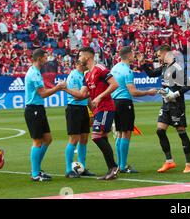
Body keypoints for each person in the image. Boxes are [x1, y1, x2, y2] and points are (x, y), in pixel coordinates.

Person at [64, 47, 120, 180]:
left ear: (87, 57)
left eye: (80, 56)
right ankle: (111, 170)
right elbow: (82, 94)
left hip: (106, 107)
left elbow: (114, 84)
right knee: (103, 137)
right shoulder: (87, 75)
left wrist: (100, 96)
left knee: (96, 136)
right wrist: (65, 88)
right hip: (98, 110)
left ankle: (114, 166)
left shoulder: (100, 69)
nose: (78, 59)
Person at [141, 45, 190, 173]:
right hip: (166, 104)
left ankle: (189, 164)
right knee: (160, 130)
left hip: (177, 105)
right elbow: (152, 74)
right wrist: (143, 64)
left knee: (181, 132)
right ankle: (169, 161)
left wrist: (175, 94)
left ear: (166, 54)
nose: (158, 58)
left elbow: (189, 85)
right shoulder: (165, 67)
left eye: (159, 55)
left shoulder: (177, 68)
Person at [111, 46, 157, 173]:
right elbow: (133, 92)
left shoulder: (115, 68)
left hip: (115, 102)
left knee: (120, 133)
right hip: (125, 102)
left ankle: (120, 165)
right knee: (126, 133)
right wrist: (149, 92)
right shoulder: (127, 71)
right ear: (129, 55)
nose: (134, 56)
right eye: (132, 53)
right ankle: (123, 166)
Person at [24, 48, 66, 181]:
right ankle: (35, 174)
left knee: (47, 139)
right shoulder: (34, 74)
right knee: (37, 141)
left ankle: (36, 168)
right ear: (39, 58)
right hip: (33, 109)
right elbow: (43, 93)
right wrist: (58, 88)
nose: (46, 59)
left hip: (38, 109)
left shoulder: (35, 71)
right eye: (45, 57)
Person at [64, 60, 95, 178]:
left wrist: (92, 109)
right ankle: (68, 170)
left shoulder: (84, 76)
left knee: (84, 139)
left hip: (83, 109)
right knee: (74, 139)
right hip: (74, 109)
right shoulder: (73, 75)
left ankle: (81, 167)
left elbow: (85, 98)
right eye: (83, 63)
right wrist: (90, 93)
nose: (85, 65)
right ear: (77, 64)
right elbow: (76, 96)